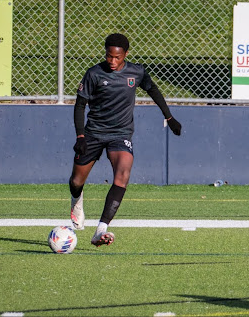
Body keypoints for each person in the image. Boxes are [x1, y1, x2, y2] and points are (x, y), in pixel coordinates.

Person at [68, 33, 182, 247]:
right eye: (109, 56)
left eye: (117, 58)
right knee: (76, 182)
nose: (112, 61)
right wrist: (81, 136)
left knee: (123, 175)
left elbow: (153, 90)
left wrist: (169, 117)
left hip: (120, 134)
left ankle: (101, 229)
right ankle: (76, 201)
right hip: (93, 133)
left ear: (126, 55)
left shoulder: (137, 72)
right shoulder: (93, 74)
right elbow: (80, 105)